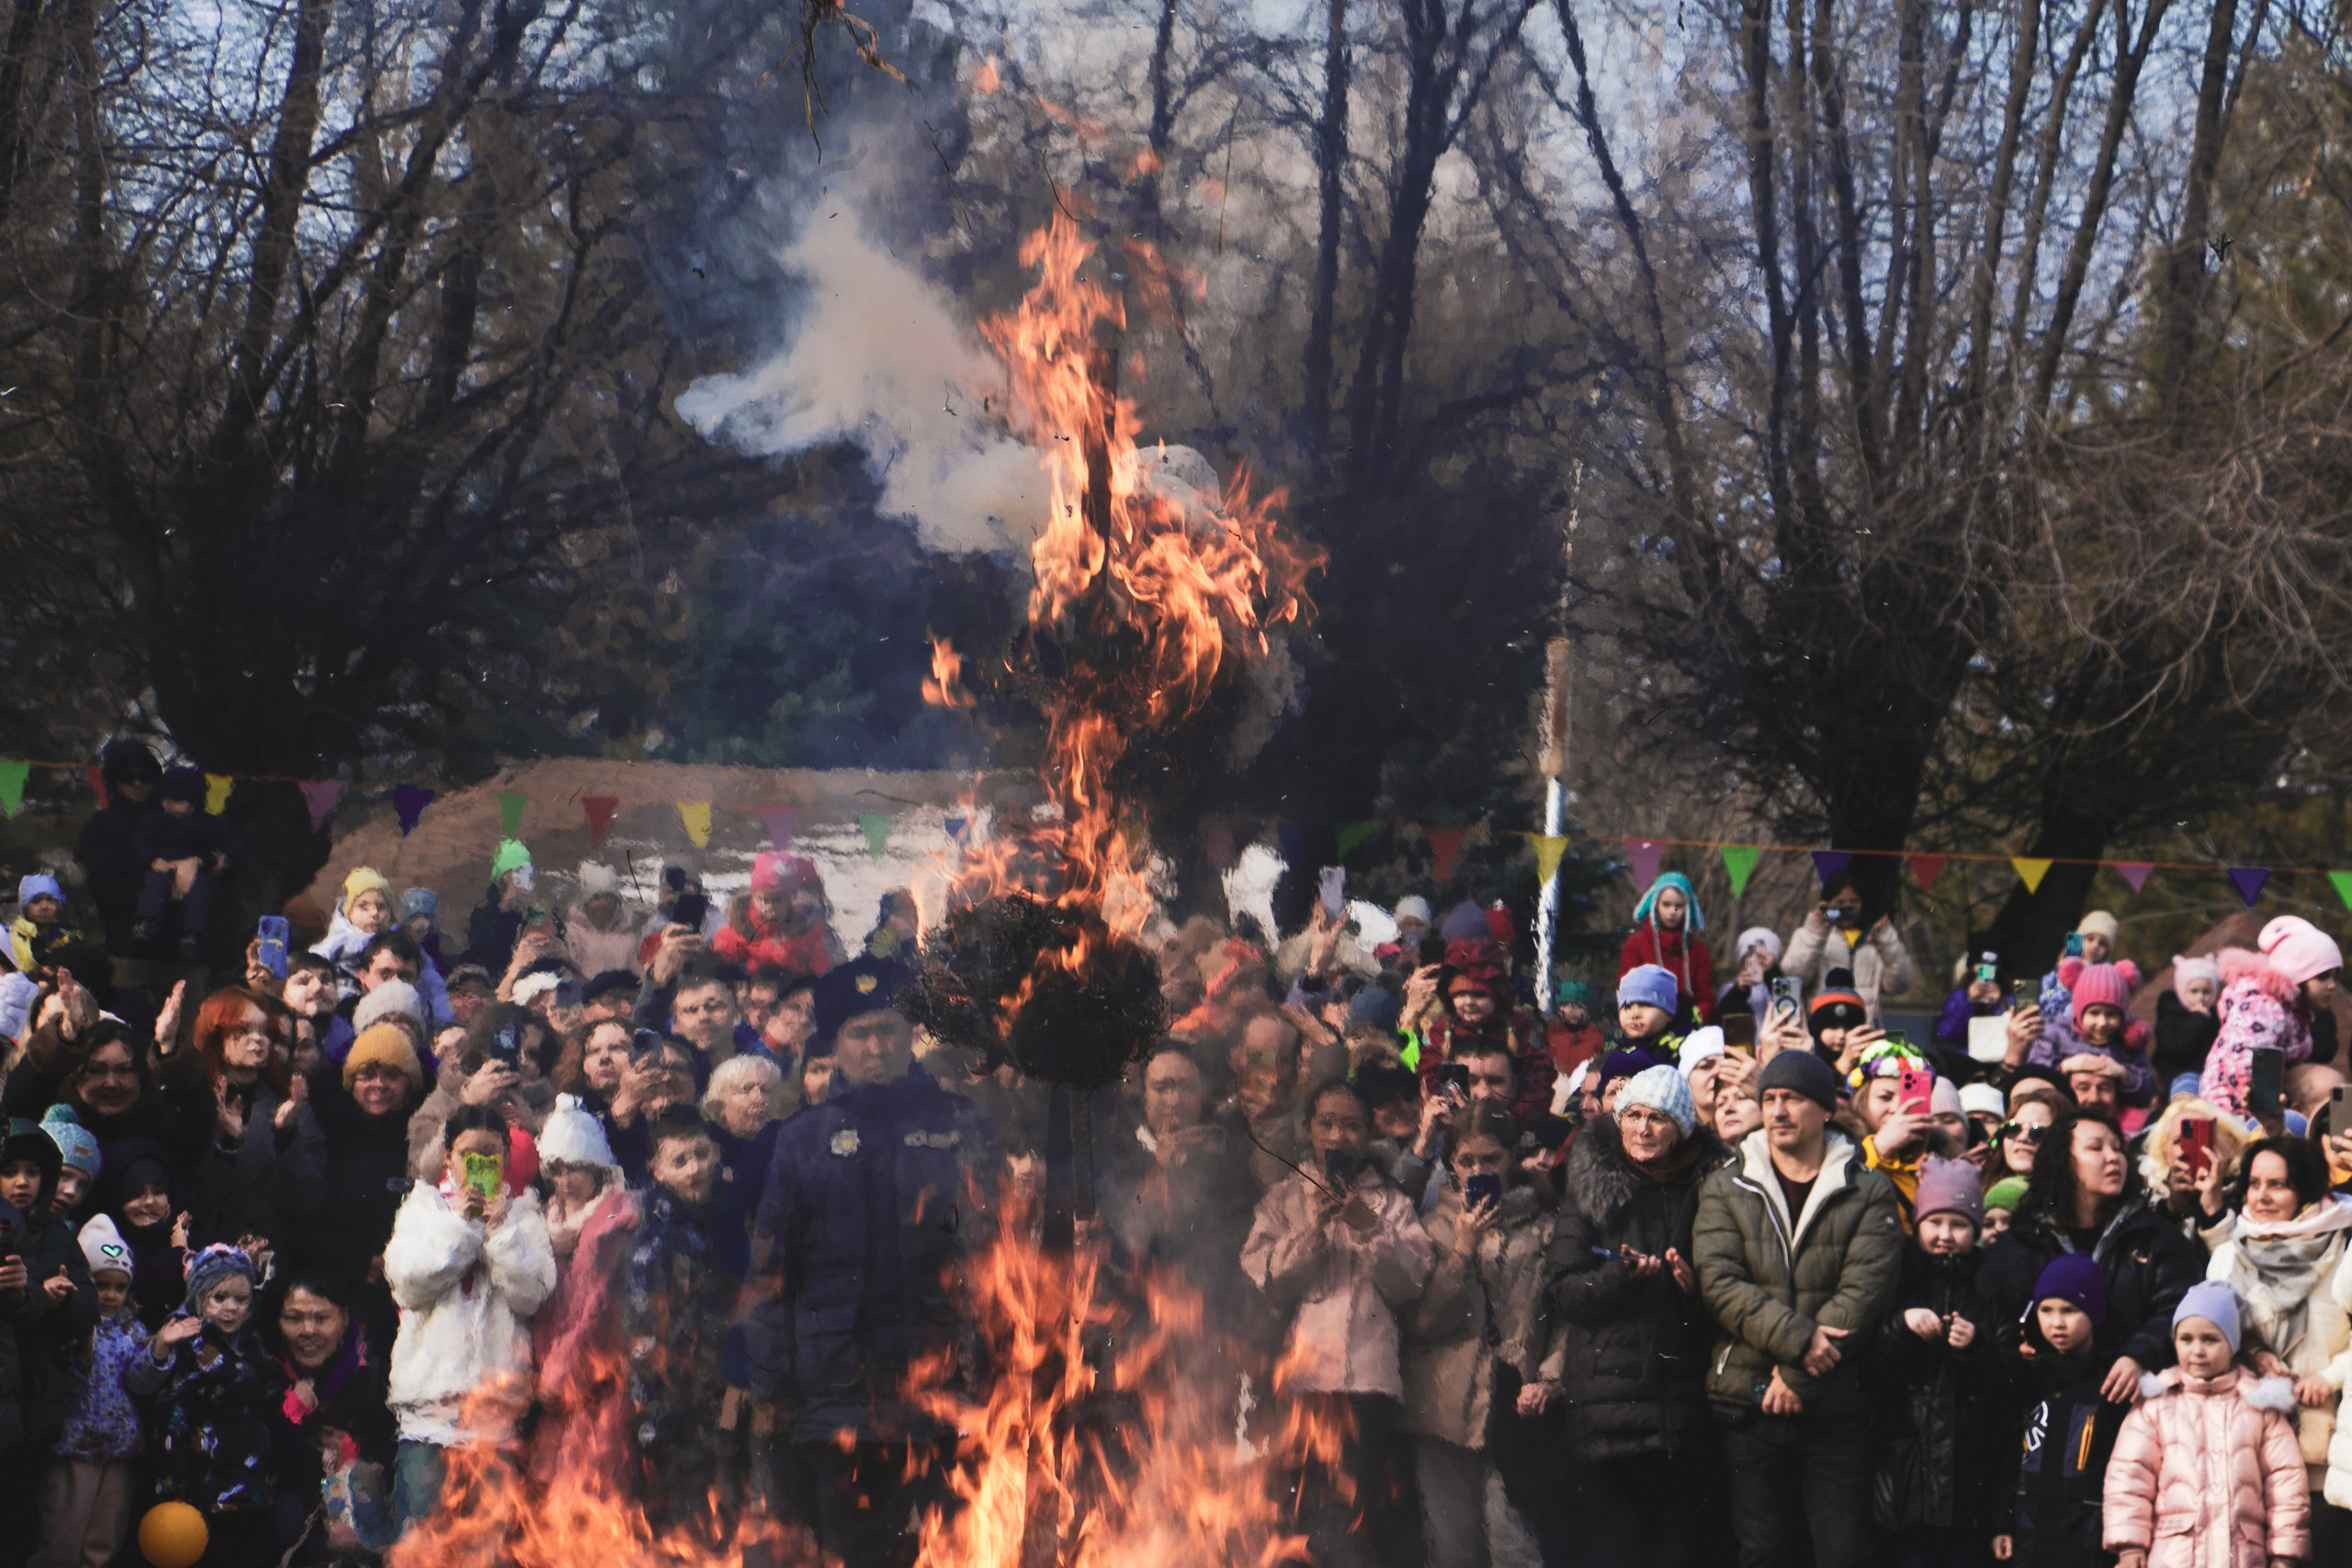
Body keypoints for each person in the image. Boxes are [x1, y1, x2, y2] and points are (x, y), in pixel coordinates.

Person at [741, 955, 995, 1565]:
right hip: (836, 1397)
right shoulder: (802, 1139)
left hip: (942, 1386)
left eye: (888, 1030)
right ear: (836, 1043)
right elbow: (772, 1275)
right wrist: (773, 1385)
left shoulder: (961, 1125)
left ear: (910, 1037)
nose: (876, 1047)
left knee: (957, 1550)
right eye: (860, 1033)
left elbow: (993, 1249)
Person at [1691, 1048, 1903, 1568]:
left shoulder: (1869, 1190)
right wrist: (1800, 1342)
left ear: (1826, 1108)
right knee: (1762, 1551)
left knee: (1842, 1552)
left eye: (1792, 1098)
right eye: (1769, 1099)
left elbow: (1864, 1291)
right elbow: (1719, 1282)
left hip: (1834, 1405)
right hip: (1747, 1400)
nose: (1778, 1110)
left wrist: (1798, 1374)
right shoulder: (1726, 1184)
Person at [1241, 1080, 1433, 1568]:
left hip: (1367, 1386)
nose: (1337, 1136)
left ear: (1368, 1133)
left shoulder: (1392, 1203)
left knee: (1363, 1513)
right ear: (1308, 1128)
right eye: (1326, 1122)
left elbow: (1410, 1283)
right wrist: (1314, 1232)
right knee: (1301, 1513)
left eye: (1351, 1125)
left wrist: (1367, 1224)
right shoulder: (1284, 1197)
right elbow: (1265, 1280)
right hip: (1302, 1383)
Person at [1547, 1063, 1724, 1567]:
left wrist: (1693, 1290)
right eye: (1635, 1115)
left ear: (1682, 1129)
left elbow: (1725, 1293)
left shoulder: (1707, 1190)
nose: (1644, 1129)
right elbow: (1562, 1291)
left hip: (1685, 1407)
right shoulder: (1590, 1187)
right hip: (1609, 1407)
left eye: (1659, 1119)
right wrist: (1618, 1278)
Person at [381, 1103, 555, 1531]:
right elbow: (408, 1283)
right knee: (420, 1549)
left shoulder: (524, 1215)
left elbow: (532, 1295)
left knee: (486, 1552)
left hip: (495, 1421)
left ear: (507, 1159)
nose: (480, 1164)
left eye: (491, 1154)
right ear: (448, 1158)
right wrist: (461, 1226)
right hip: (429, 1418)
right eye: (468, 1154)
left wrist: (500, 1233)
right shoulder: (422, 1210)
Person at [1400, 1100, 1557, 1568]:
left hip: (1519, 1406)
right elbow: (1424, 1322)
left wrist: (1551, 1379)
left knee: (1516, 1550)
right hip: (1445, 1413)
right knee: (1453, 1551)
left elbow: (1564, 1320)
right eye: (1466, 1161)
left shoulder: (1544, 1228)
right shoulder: (1432, 1227)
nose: (1478, 1170)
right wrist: (1461, 1252)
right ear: (1451, 1165)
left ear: (1511, 1158)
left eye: (1491, 1159)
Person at [1977, 1109, 2203, 1404]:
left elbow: (2180, 1308)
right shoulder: (2028, 1239)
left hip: (2131, 1407)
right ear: (2062, 1161)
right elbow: (1998, 1317)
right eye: (2096, 1148)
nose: (2113, 1157)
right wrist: (2021, 1341)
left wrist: (2138, 1355)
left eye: (2118, 1148)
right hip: (2045, 1408)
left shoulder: (2153, 1237)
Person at [2206, 1136, 2352, 1563]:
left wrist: (2327, 1378)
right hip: (2251, 1453)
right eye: (2254, 1184)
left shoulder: (2343, 1250)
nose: (2262, 1196)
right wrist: (2252, 1356)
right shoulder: (2230, 1256)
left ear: (2306, 1190)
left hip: (2322, 1458)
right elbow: (2212, 1333)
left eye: (2279, 1185)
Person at [2102, 1280, 2309, 1568]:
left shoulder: (2260, 1407)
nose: (2197, 1350)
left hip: (2243, 1557)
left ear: (2233, 1343)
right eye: (2186, 1339)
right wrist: (2129, 1546)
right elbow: (2129, 1478)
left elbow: (2285, 1484)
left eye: (2210, 1339)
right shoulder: (2156, 1405)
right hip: (2173, 1556)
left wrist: (2285, 1555)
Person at [1870, 1158, 1996, 1567]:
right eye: (1935, 1222)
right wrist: (1899, 1325)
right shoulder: (1899, 1275)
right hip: (1904, 1468)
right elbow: (1870, 1359)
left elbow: (2003, 1372)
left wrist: (1976, 1344)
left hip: (1965, 1466)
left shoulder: (1987, 1284)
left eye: (1958, 1224)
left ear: (1975, 1230)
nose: (1945, 1235)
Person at [124, 1245, 282, 1567]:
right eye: (219, 1297)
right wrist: (174, 1485)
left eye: (241, 1300)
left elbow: (267, 1401)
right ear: (199, 1298)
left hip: (251, 1484)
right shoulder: (187, 1348)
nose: (231, 1308)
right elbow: (174, 1418)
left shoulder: (255, 1350)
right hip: (203, 1487)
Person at [626, 1110, 736, 1530]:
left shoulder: (737, 1222)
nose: (695, 1170)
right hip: (678, 1413)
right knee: (685, 1532)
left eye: (701, 1154)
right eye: (680, 1161)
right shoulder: (653, 1242)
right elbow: (643, 1339)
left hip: (736, 1402)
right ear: (656, 1170)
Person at [1993, 1255, 2125, 1568]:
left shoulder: (2109, 1386)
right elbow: (2011, 1460)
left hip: (2087, 1545)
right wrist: (2002, 1523)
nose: (2057, 1323)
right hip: (2028, 1542)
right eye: (2046, 1310)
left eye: (2070, 1310)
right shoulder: (2032, 1381)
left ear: (2093, 1313)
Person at [530, 1095, 637, 1482]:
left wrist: (558, 1374)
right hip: (551, 1381)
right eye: (557, 1168)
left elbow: (595, 1305)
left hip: (596, 1378)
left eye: (576, 1167)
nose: (566, 1179)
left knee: (588, 1490)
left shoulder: (612, 1224)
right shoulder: (545, 1223)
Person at [36, 1213, 145, 1568]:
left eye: (119, 1286)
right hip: (75, 1444)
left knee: (105, 1537)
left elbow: (144, 1380)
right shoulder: (67, 1324)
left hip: (118, 1447)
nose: (110, 1295)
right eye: (100, 1284)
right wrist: (83, 1345)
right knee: (62, 1534)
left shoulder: (134, 1330)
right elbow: (59, 1375)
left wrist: (159, 1350)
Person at [272, 1273, 396, 1562]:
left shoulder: (372, 1378)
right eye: (294, 1318)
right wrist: (291, 1415)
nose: (308, 1331)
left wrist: (353, 1453)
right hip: (292, 1516)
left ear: (342, 1319)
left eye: (321, 1318)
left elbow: (389, 1452)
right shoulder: (266, 1373)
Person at [188, 988, 322, 1252]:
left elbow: (306, 1196)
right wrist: (227, 1142)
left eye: (264, 1032)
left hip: (265, 1255)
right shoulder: (197, 1099)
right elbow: (197, 1192)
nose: (258, 1040)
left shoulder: (287, 1102)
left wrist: (286, 1136)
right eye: (243, 1030)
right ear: (216, 1033)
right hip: (204, 1252)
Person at [2204, 917, 2344, 1118]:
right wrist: (2267, 1119)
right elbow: (2244, 1066)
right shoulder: (2264, 1008)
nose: (2331, 985)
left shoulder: (2294, 1011)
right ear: (2297, 975)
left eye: (2334, 976)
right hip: (2234, 1113)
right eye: (2322, 976)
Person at [130, 765, 243, 960]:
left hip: (198, 869)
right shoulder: (153, 821)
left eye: (175, 801)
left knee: (199, 892)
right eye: (165, 800)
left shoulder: (209, 825)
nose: (168, 805)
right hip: (163, 866)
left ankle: (192, 934)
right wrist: (152, 860)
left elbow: (226, 850)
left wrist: (204, 861)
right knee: (155, 884)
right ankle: (146, 922)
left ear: (192, 802)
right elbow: (140, 844)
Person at [73, 739, 163, 964]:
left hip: (181, 947)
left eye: (146, 777)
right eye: (127, 778)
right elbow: (105, 890)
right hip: (126, 946)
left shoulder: (175, 821)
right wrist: (155, 886)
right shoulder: (100, 828)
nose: (137, 783)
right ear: (114, 782)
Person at [2023, 962, 2156, 1112]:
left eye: (2111, 1014)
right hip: (2060, 1114)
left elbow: (2148, 1092)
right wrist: (2064, 1066)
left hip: (2109, 1118)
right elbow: (2033, 1073)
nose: (2102, 1023)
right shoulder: (2055, 1035)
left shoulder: (2128, 1042)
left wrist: (2124, 1074)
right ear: (2079, 1012)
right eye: (2094, 1013)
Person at [1783, 873, 1917, 1022]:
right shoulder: (1809, 935)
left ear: (1862, 903)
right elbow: (1792, 975)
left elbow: (1901, 985)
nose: (1847, 907)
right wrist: (1816, 933)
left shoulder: (1876, 940)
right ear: (1827, 904)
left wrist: (1887, 940)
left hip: (1865, 1031)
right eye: (1840, 902)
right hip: (1823, 1031)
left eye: (1854, 902)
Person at [700, 1055, 782, 1279]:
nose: (759, 1099)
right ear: (718, 1103)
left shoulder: (783, 1142)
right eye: (746, 1090)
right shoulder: (701, 1147)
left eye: (765, 1090)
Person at [709, 853, 842, 977]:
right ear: (752, 897)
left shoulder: (809, 931)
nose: (769, 907)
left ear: (791, 900)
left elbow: (825, 971)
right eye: (763, 900)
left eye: (778, 900)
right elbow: (719, 969)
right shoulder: (738, 930)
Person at [2136, 1095, 2243, 1247]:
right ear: (2165, 1153)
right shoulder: (2148, 1198)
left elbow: (2232, 1266)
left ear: (2230, 1146)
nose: (2187, 1151)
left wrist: (2215, 1212)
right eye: (2179, 1142)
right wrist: (2171, 1208)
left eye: (2203, 1139)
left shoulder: (2247, 1193)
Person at [1619, 872, 1713, 1027]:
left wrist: (1696, 1021)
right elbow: (1627, 994)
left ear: (1688, 908)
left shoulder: (1697, 949)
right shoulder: (1636, 945)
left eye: (1678, 906)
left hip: (1689, 1027)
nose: (1672, 912)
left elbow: (1705, 997)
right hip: (1646, 1028)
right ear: (1655, 904)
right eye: (1666, 904)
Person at [2154, 954, 2223, 1089]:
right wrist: (2198, 1019)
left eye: (2206, 992)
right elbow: (2176, 1051)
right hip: (2179, 1079)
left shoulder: (2217, 1016)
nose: (2200, 998)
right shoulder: (2169, 1016)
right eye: (2194, 991)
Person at [564, 863, 639, 979]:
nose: (602, 903)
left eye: (608, 898)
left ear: (616, 904)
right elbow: (569, 969)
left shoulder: (628, 939)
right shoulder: (573, 933)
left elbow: (636, 971)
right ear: (586, 904)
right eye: (596, 898)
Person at [1720, 927, 1786, 1029]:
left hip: (1775, 1041)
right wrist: (1738, 992)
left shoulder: (1781, 985)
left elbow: (1790, 1009)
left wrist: (1772, 973)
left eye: (1762, 958)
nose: (1756, 962)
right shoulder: (1730, 988)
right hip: (1743, 1042)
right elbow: (1719, 1020)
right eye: (1750, 956)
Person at [10, 874, 71, 982]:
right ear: (25, 906)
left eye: (50, 900)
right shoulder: (13, 936)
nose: (44, 907)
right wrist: (39, 970)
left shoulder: (67, 936)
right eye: (36, 901)